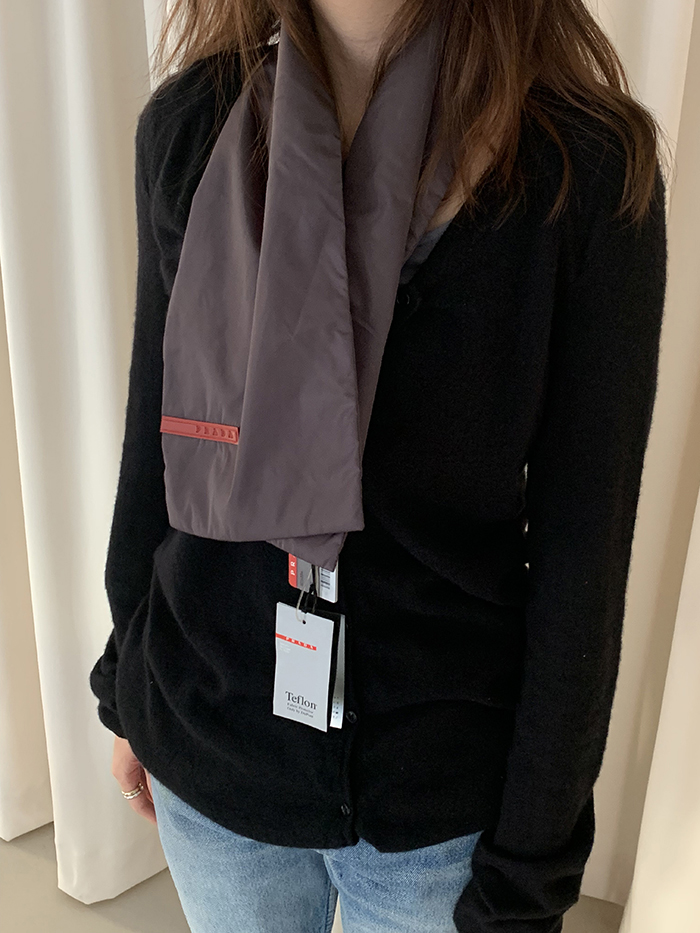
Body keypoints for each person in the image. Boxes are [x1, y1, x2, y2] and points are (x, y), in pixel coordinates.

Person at [90, 0, 669, 931]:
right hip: (211, 753)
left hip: (437, 816)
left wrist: (530, 866)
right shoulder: (189, 128)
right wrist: (128, 689)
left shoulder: (587, 172)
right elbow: (148, 459)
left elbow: (583, 568)